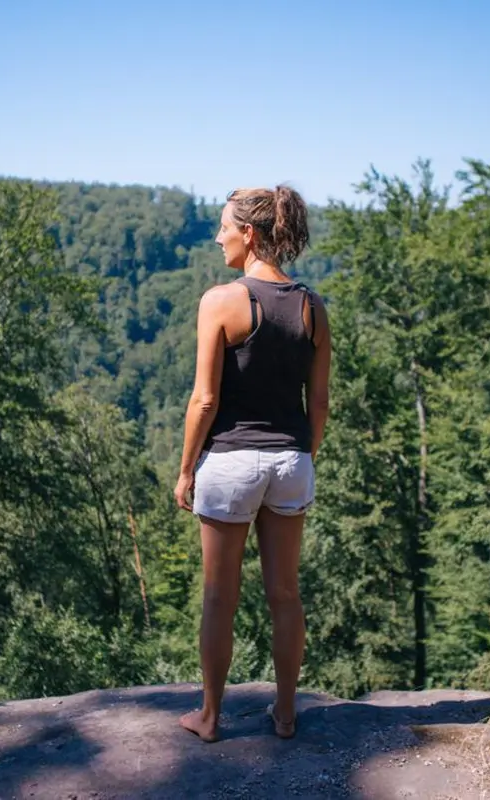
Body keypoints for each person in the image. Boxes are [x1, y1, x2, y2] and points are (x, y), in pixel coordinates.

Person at [173, 185, 332, 743]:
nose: (217, 237)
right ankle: (285, 716)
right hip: (290, 460)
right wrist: (300, 457)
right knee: (285, 594)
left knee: (220, 596)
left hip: (231, 462)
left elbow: (204, 400)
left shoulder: (221, 301)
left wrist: (187, 468)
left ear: (250, 234)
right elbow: (320, 405)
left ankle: (211, 718)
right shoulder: (313, 307)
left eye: (223, 228)